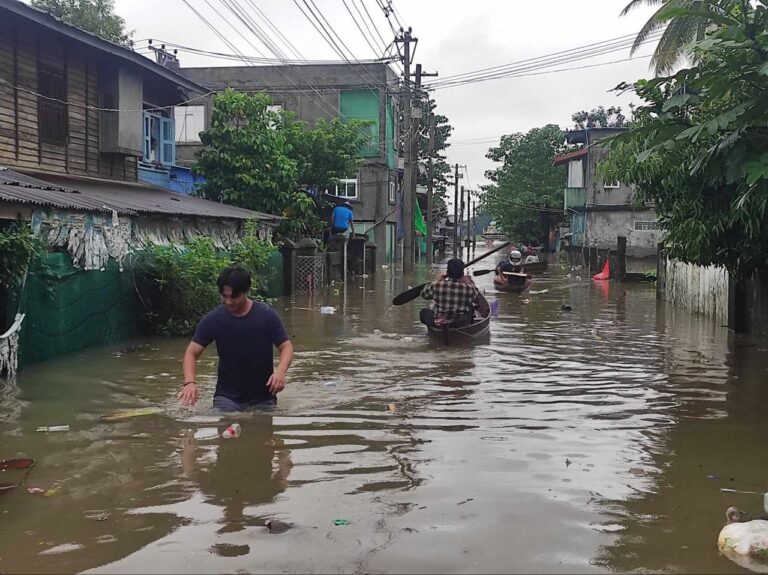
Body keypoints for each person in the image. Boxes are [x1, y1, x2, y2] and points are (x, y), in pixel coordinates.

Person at [179, 266, 294, 412]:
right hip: (226, 397)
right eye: (224, 296)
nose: (228, 301)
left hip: (263, 397)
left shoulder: (266, 316)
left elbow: (286, 347)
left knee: (262, 432)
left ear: (247, 291)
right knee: (223, 427)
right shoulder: (213, 319)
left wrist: (280, 372)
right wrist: (189, 382)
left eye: (234, 297)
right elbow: (191, 353)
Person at [419, 258, 480, 328]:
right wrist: (469, 283)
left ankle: (438, 324)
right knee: (470, 307)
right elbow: (477, 299)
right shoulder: (469, 288)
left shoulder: (436, 285)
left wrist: (435, 280)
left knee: (424, 312)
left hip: (441, 322)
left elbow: (423, 295)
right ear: (462, 274)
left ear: (447, 273)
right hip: (460, 323)